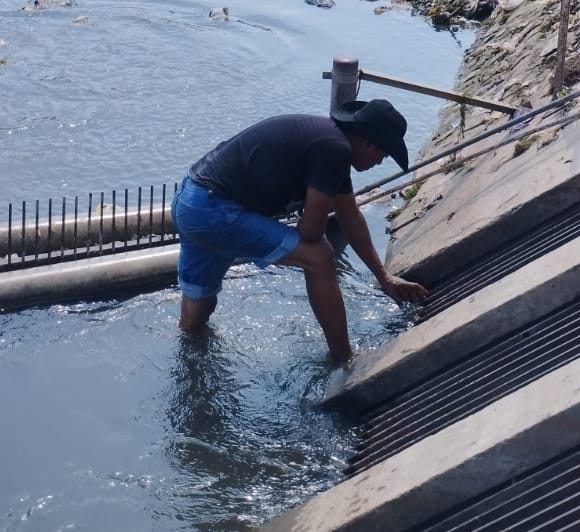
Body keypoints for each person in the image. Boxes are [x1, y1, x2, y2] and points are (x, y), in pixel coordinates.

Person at [172, 99, 428, 363]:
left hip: (191, 200)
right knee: (320, 257)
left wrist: (383, 277)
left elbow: (350, 216)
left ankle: (190, 368)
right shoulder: (335, 150)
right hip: (215, 211)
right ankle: (344, 358)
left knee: (199, 309)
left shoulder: (329, 142)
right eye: (383, 155)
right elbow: (310, 234)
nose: (379, 162)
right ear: (368, 143)